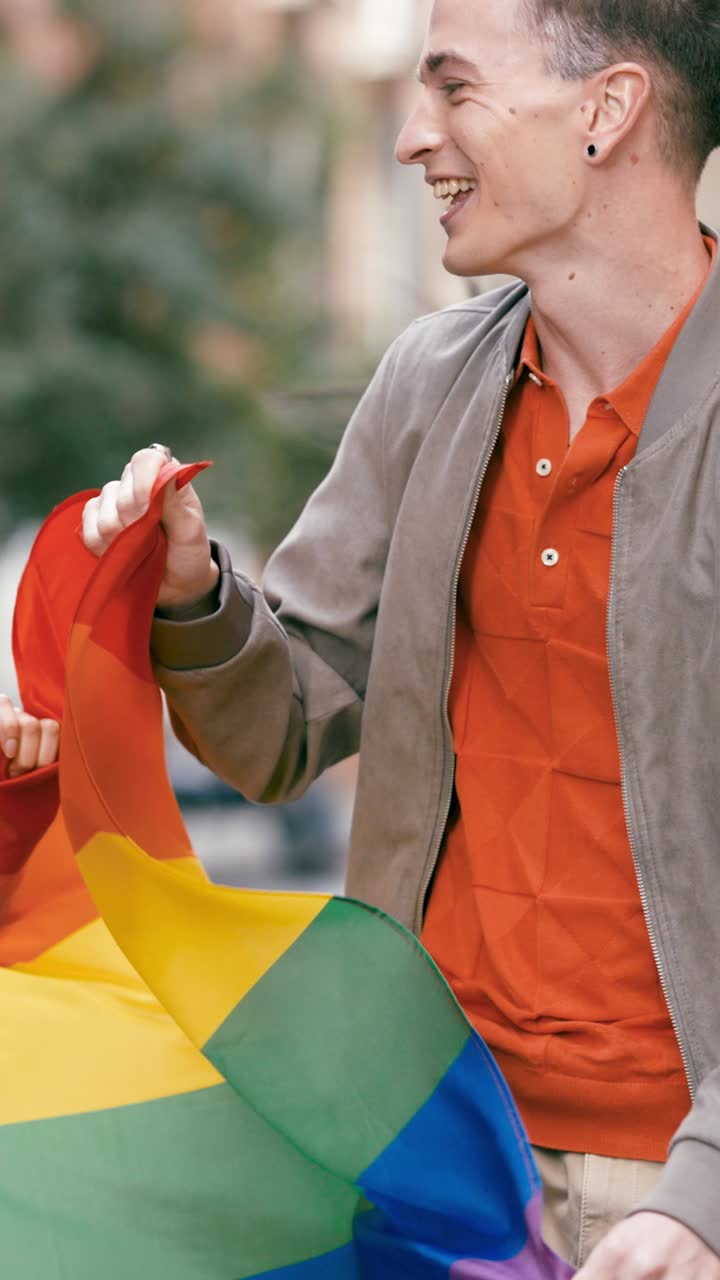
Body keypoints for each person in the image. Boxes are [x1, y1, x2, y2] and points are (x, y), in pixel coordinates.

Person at [4, 0, 720, 1273]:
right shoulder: (428, 386)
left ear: (608, 113)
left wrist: (703, 1190)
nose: (410, 136)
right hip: (433, 1149)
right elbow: (285, 730)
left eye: (452, 88)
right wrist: (189, 593)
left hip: (677, 1182)